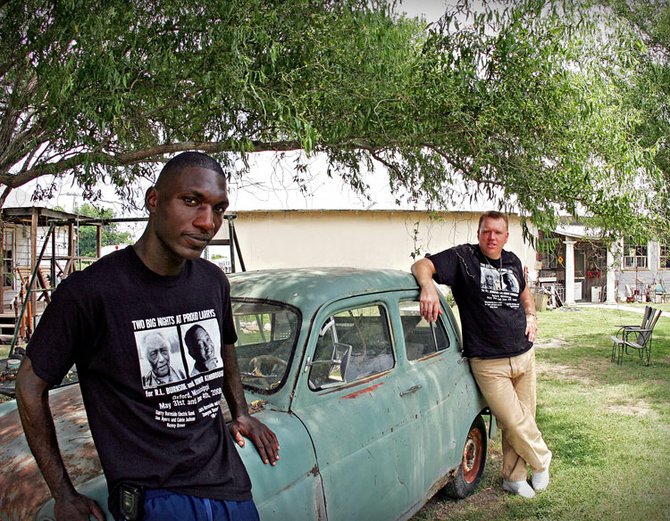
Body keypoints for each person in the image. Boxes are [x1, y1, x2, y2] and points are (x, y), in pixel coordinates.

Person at [16, 151, 280, 521]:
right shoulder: (91, 292)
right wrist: (62, 492)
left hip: (228, 485)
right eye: (191, 201)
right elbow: (29, 383)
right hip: (153, 498)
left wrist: (240, 411)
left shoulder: (211, 281)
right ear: (153, 200)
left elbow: (225, 346)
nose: (207, 222)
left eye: (219, 209)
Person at [411, 210, 551, 499]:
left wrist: (531, 314)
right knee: (514, 420)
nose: (491, 237)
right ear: (479, 233)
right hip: (489, 362)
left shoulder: (512, 261)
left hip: (524, 355)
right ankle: (543, 460)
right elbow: (422, 264)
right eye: (486, 231)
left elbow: (524, 293)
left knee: (525, 418)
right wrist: (427, 285)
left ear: (505, 237)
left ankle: (514, 478)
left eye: (497, 232)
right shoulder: (463, 259)